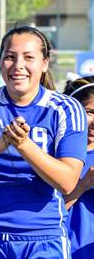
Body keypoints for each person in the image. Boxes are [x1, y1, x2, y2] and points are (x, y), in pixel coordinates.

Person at [0, 26, 88, 258]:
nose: (18, 65)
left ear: (44, 63)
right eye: (10, 57)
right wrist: (1, 143)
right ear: (0, 61)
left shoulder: (66, 109)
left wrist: (23, 145)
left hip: (44, 238)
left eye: (29, 57)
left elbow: (67, 182)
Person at [63, 76, 94, 259]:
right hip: (58, 251)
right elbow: (38, 216)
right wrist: (82, 186)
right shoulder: (50, 157)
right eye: (90, 112)